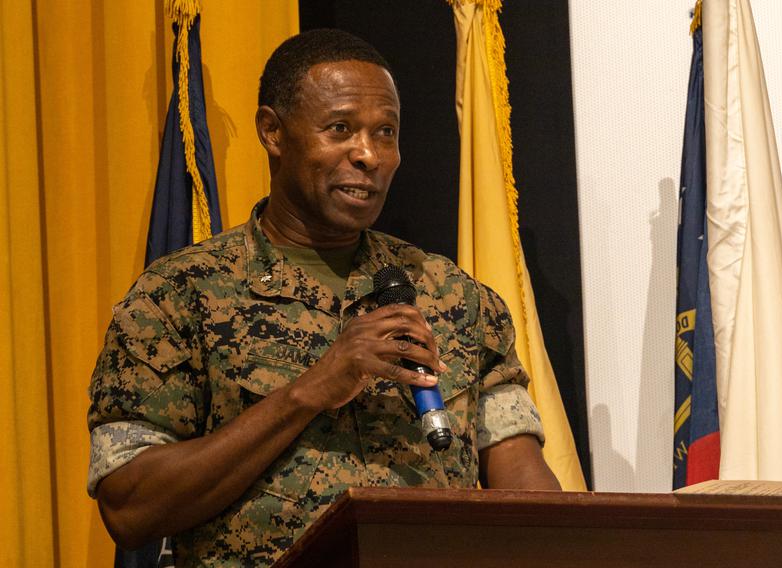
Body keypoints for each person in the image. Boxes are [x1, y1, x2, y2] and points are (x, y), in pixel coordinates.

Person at [88, 29, 559, 566]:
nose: (369, 155)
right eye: (341, 129)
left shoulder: (457, 299)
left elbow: (522, 482)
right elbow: (129, 508)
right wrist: (311, 389)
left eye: (386, 133)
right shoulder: (178, 297)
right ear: (273, 132)